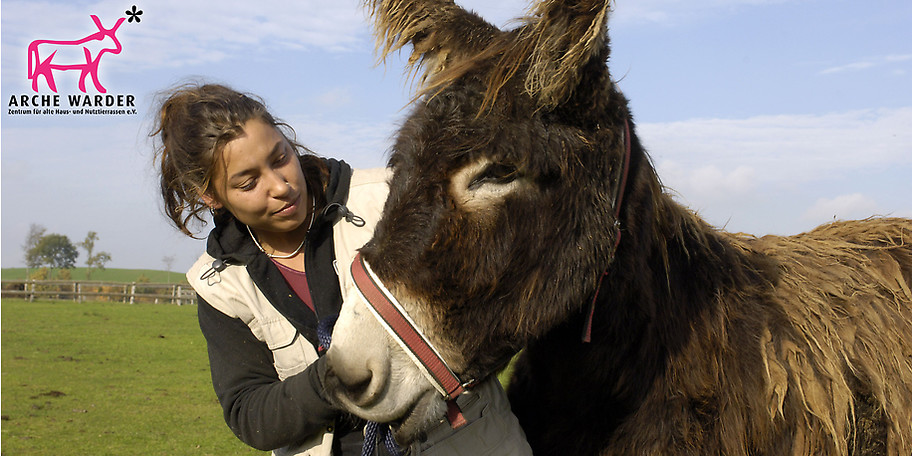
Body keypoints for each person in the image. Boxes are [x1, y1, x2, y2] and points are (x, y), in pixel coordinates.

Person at [151, 83, 532, 456]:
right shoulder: (220, 286)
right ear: (211, 195)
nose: (280, 185)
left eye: (280, 157)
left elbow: (511, 292)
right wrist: (337, 376)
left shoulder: (392, 196)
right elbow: (252, 416)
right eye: (249, 182)